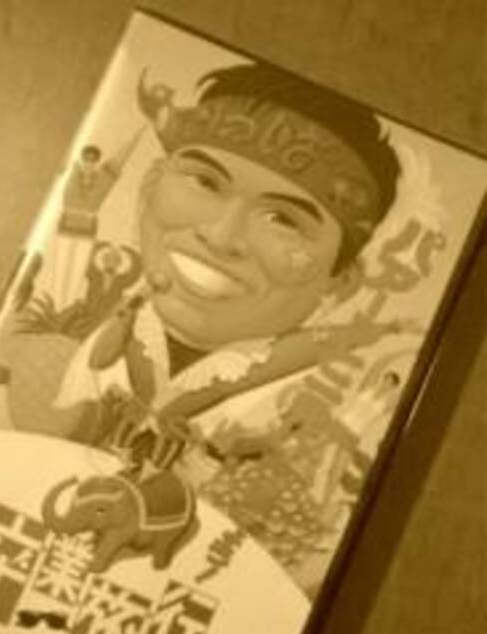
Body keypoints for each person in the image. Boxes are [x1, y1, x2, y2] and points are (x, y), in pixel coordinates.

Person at [59, 62, 409, 472]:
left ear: (342, 281)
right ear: (149, 187)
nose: (221, 237)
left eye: (283, 220)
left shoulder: (312, 396)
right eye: (205, 183)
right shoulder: (93, 317)